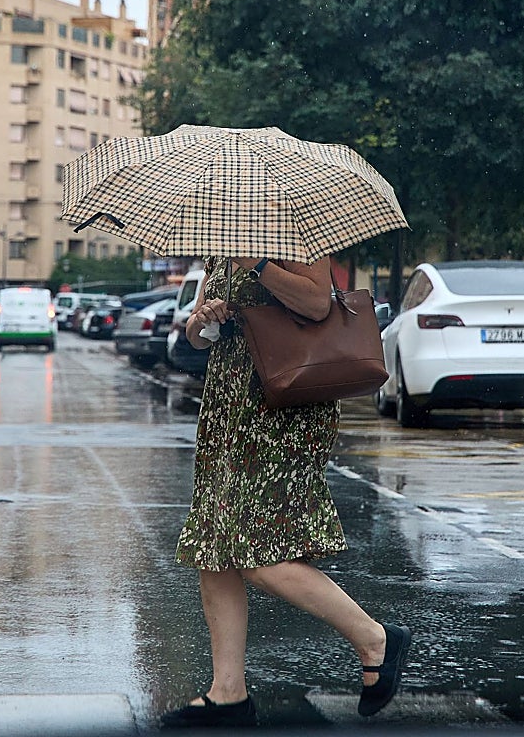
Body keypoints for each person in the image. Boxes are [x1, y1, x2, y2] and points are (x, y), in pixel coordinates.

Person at [160, 255, 411, 729]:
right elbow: (195, 335)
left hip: (282, 409)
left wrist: (258, 266)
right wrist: (205, 320)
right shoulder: (220, 250)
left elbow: (317, 304)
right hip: (228, 408)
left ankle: (375, 638)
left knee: (257, 551)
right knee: (215, 546)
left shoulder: (290, 242)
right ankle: (227, 693)